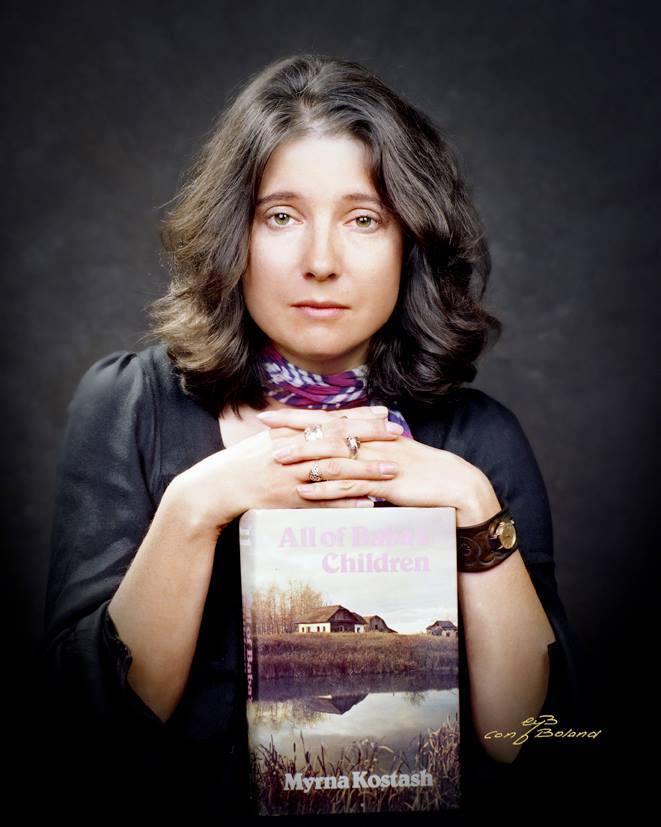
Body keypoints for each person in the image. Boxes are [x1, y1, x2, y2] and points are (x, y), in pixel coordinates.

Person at [40, 54, 582, 819]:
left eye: (364, 219)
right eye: (280, 216)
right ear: (234, 235)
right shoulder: (129, 403)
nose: (320, 262)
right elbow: (82, 734)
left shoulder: (476, 439)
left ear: (409, 243)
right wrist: (199, 503)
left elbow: (527, 740)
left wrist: (470, 504)